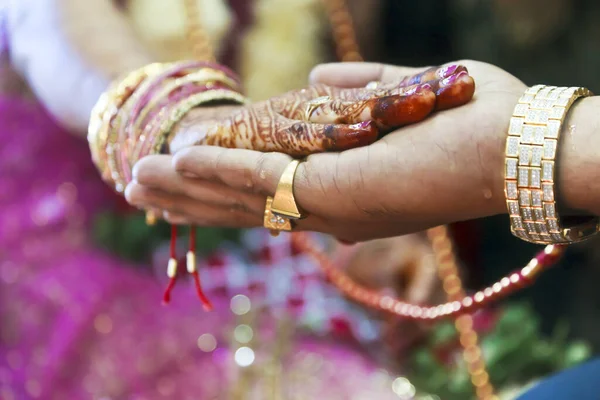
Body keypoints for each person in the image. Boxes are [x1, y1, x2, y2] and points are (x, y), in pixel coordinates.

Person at [1, 1, 452, 398]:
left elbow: (334, 82)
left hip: (270, 238)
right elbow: (58, 31)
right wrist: (189, 119)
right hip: (65, 258)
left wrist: (367, 222)